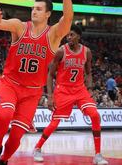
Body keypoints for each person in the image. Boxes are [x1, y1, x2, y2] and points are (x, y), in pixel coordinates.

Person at [0, 0, 75, 165]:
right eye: (33, 8)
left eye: (39, 9)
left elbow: (68, 18)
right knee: (5, 114)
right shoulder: (20, 26)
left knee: (17, 134)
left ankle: (4, 159)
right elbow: (0, 24)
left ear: (47, 15)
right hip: (10, 84)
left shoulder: (53, 35)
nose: (34, 11)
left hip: (32, 92)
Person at [33, 26, 108, 164]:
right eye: (67, 35)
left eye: (72, 35)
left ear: (78, 36)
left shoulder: (87, 52)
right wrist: (50, 96)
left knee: (95, 115)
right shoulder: (61, 51)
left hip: (80, 90)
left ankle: (98, 154)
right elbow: (50, 74)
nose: (69, 37)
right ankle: (37, 148)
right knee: (54, 123)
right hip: (63, 90)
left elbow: (89, 72)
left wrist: (90, 88)